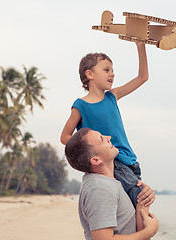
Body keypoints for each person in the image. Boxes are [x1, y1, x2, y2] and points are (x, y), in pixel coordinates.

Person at [60, 42, 150, 229]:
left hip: (130, 161)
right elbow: (65, 137)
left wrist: (140, 46)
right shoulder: (80, 105)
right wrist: (92, 145)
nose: (112, 74)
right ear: (90, 74)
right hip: (112, 163)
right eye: (106, 69)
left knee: (135, 209)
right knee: (141, 202)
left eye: (112, 70)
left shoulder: (112, 96)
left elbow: (143, 77)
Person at [65, 127, 159, 240]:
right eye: (101, 139)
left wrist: (143, 202)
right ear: (95, 160)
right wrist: (148, 232)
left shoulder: (109, 182)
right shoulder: (99, 188)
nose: (108, 137)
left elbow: (128, 227)